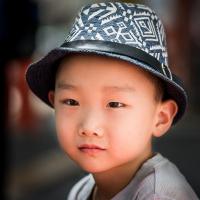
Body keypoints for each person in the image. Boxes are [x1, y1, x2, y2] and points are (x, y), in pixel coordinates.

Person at [25, 2, 199, 200]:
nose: (89, 127)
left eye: (115, 104)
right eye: (71, 101)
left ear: (160, 118)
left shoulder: (159, 195)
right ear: (54, 102)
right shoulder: (83, 190)